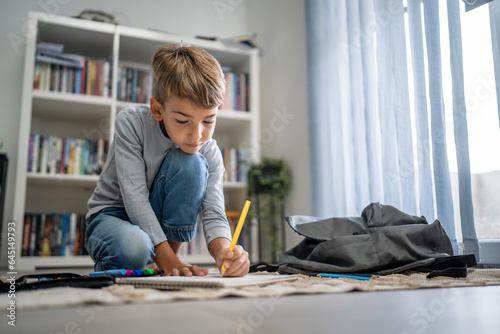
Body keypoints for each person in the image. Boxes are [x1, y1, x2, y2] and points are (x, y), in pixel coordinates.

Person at [85, 44, 250, 277]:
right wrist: (168, 260)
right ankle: (161, 260)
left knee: (192, 163)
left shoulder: (208, 150)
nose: (197, 135)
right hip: (112, 215)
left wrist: (225, 252)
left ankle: (163, 261)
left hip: (158, 228)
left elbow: (214, 211)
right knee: (134, 248)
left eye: (209, 120)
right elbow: (135, 198)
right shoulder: (131, 123)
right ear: (157, 109)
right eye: (183, 121)